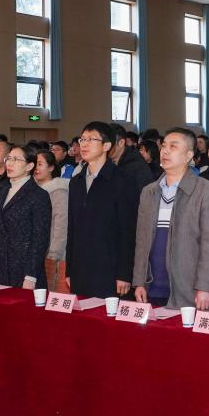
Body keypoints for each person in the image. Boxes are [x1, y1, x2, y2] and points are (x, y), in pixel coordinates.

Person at [133, 128, 209, 309]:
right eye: (164, 146)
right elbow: (141, 241)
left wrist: (206, 287)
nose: (165, 151)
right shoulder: (149, 192)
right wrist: (139, 281)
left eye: (173, 147)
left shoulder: (206, 190)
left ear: (189, 155)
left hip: (190, 290)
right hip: (152, 288)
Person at [66, 122, 139, 299]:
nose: (84, 144)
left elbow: (128, 231)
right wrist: (69, 269)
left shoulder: (123, 181)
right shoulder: (76, 182)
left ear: (106, 146)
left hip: (110, 269)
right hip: (81, 268)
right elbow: (72, 229)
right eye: (82, 139)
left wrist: (124, 273)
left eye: (91, 139)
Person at [0, 144, 51, 288]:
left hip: (23, 270)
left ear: (29, 166)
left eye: (16, 159)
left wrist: (31, 276)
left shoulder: (39, 195)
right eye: (9, 158)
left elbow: (40, 239)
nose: (9, 163)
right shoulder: (2, 192)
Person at [34, 150, 69, 291]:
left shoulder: (58, 191)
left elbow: (61, 224)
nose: (36, 168)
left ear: (51, 167)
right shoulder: (33, 190)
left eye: (40, 164)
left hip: (52, 253)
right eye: (34, 164)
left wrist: (54, 254)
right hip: (36, 252)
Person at [110, 123, 152, 193]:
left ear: (121, 142)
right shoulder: (108, 161)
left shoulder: (136, 166)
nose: (105, 146)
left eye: (109, 143)